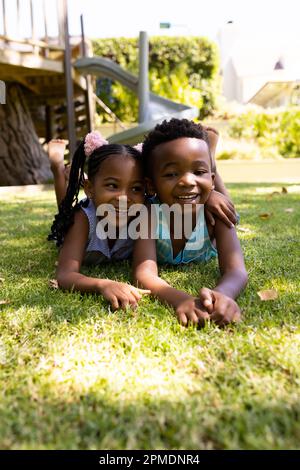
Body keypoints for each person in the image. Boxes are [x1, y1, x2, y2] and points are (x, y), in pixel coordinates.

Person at [132, 118, 248, 327]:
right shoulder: (148, 214)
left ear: (211, 179)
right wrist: (181, 299)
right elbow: (144, 274)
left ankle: (211, 161)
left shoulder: (216, 217)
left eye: (198, 172)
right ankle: (208, 158)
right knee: (216, 198)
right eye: (171, 174)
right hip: (200, 194)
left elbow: (236, 271)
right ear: (151, 185)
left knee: (226, 206)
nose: (187, 181)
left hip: (210, 206)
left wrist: (222, 294)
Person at [48, 131, 150, 310]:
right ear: (88, 189)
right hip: (83, 214)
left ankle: (80, 175)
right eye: (112, 185)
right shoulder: (83, 220)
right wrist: (102, 284)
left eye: (135, 188)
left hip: (97, 195)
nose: (124, 198)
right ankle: (58, 167)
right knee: (66, 212)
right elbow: (65, 275)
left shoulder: (142, 216)